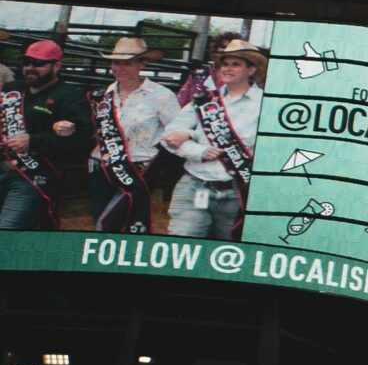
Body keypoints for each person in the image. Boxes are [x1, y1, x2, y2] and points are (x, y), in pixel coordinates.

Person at [159, 42, 262, 240]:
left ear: (251, 69)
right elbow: (169, 137)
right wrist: (198, 150)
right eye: (224, 64)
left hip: (237, 191)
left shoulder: (266, 105)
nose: (227, 68)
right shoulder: (203, 101)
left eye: (235, 64)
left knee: (228, 249)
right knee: (184, 240)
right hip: (196, 185)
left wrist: (192, 134)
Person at [89, 36, 177, 233]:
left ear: (141, 64)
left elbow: (177, 131)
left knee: (122, 224)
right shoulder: (102, 95)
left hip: (139, 171)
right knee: (102, 222)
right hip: (101, 169)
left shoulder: (162, 96)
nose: (119, 68)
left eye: (127, 63)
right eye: (115, 62)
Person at [2, 39, 91, 231]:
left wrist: (34, 141)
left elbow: (83, 140)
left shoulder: (70, 96)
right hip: (3, 167)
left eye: (39, 63)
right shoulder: (11, 90)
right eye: (26, 63)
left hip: (33, 177)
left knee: (8, 229)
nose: (30, 68)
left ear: (56, 65)